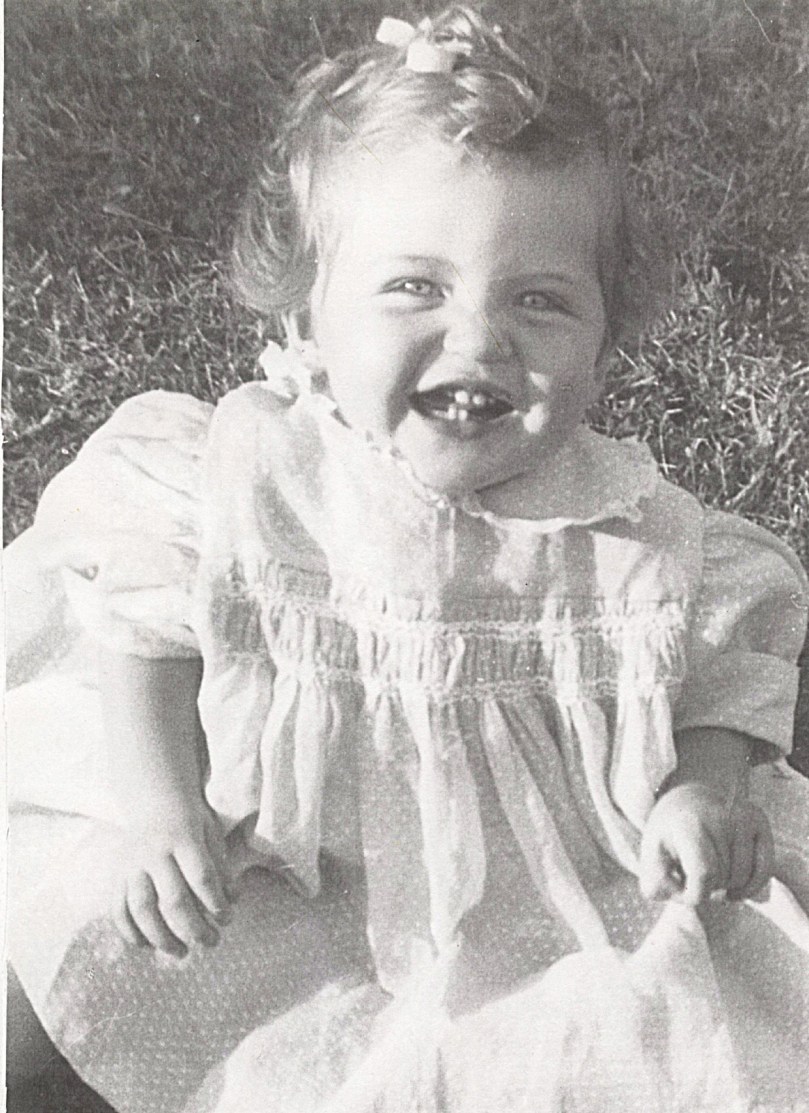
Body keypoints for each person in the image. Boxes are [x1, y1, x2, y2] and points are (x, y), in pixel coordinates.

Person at [6, 7, 809, 1112]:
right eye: (411, 288)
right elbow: (143, 634)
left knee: (612, 1043)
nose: (478, 340)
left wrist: (697, 788)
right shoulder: (248, 476)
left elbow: (715, 674)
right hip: (252, 854)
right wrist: (160, 808)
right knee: (63, 955)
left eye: (539, 300)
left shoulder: (634, 536)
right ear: (304, 316)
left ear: (607, 333)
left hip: (531, 908)